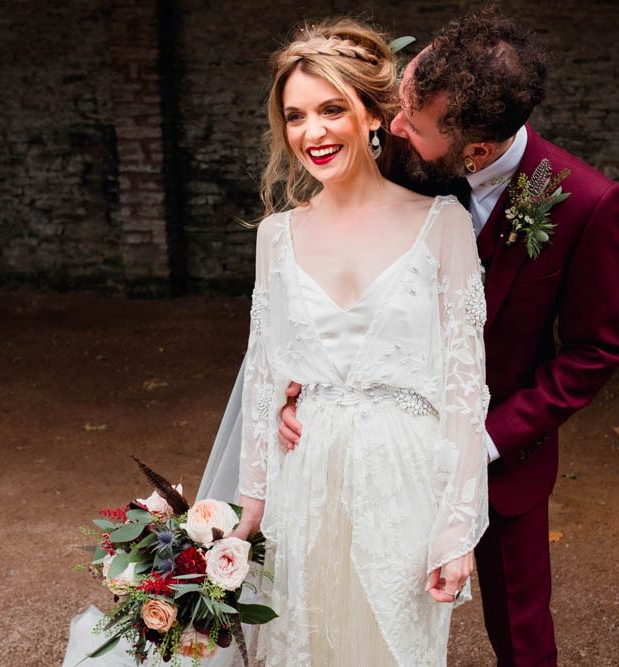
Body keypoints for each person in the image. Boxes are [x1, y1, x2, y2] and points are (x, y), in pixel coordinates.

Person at [278, 8, 619, 666]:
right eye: (401, 100)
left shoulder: (584, 203)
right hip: (371, 446)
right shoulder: (396, 158)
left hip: (502, 461)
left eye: (412, 120)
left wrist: (485, 439)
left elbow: (594, 351)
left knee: (522, 634)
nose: (393, 126)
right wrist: (297, 386)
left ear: (477, 151)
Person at [225, 18, 490, 666]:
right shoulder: (275, 237)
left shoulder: (442, 224)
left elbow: (464, 389)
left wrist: (456, 531)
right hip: (303, 481)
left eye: (330, 109)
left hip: (403, 482)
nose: (311, 131)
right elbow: (265, 375)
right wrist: (242, 519)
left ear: (371, 115)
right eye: (294, 115)